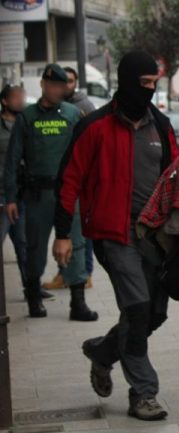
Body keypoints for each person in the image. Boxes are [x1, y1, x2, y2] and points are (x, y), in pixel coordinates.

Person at [54, 51, 179, 421]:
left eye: (155, 84)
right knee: (137, 309)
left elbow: (174, 177)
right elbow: (69, 180)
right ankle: (144, 393)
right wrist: (62, 234)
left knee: (154, 314)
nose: (150, 92)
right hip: (113, 233)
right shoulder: (93, 126)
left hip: (155, 235)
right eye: (144, 85)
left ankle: (104, 352)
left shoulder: (162, 126)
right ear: (126, 82)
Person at [4, 64, 96, 321]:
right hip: (38, 194)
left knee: (76, 244)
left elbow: (86, 155)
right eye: (53, 85)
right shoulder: (27, 117)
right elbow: (13, 160)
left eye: (61, 85)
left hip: (69, 192)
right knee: (35, 246)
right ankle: (33, 296)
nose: (57, 89)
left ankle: (78, 302)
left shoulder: (72, 114)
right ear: (44, 85)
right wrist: (10, 197)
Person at [43, 66, 98, 291]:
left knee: (81, 235)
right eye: (62, 81)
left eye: (70, 81)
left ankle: (83, 275)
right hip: (61, 182)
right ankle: (66, 274)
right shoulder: (53, 108)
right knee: (67, 233)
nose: (66, 85)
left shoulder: (82, 107)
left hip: (79, 182)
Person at [0, 84, 32, 298]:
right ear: (4, 101)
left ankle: (32, 289)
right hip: (2, 194)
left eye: (22, 97)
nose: (20, 101)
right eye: (16, 97)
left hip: (21, 194)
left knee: (23, 244)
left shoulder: (26, 124)